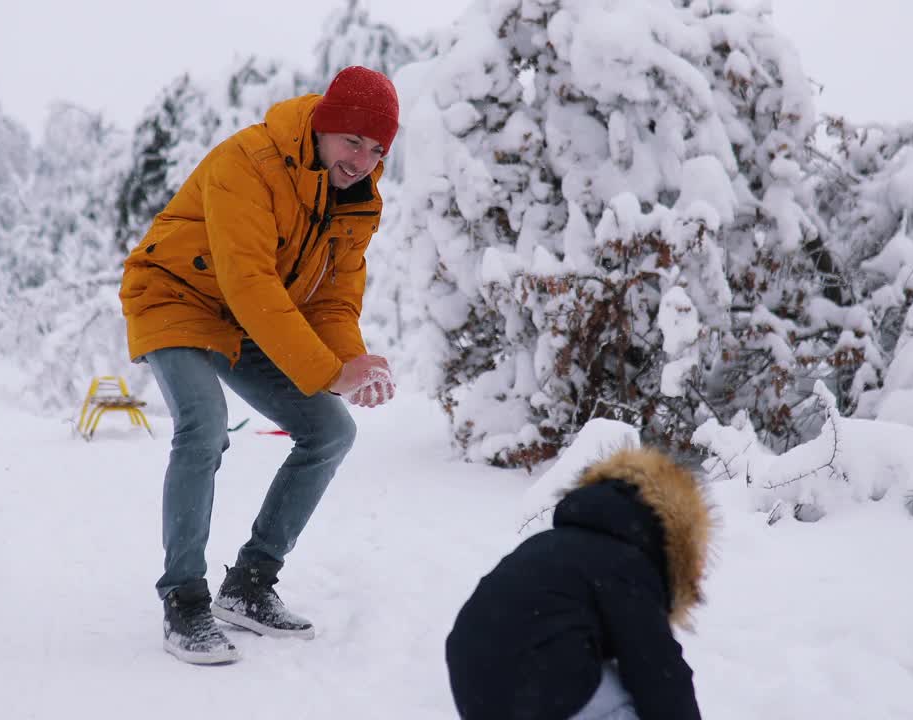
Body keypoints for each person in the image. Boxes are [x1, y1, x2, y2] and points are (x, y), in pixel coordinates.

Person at [118, 65, 400, 665]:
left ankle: (248, 584)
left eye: (377, 149)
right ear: (324, 127)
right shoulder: (248, 161)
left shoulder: (355, 202)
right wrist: (328, 373)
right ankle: (184, 600)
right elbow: (248, 281)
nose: (362, 160)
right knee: (203, 426)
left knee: (331, 430)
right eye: (353, 141)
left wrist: (352, 362)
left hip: (249, 318)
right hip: (177, 296)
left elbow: (332, 299)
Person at [445, 447, 713, 719]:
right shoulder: (626, 565)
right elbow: (657, 671)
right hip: (535, 684)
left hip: (473, 683)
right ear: (676, 542)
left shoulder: (554, 545)